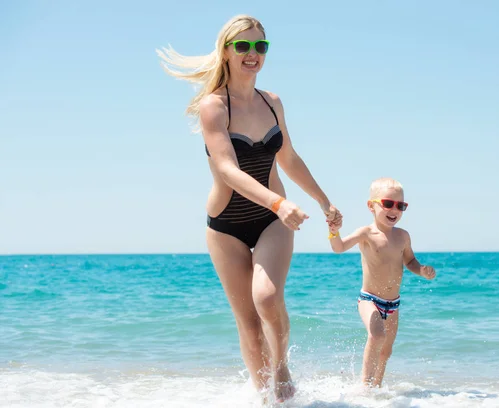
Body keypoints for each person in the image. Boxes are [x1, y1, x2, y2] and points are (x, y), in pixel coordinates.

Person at [157, 15, 342, 402]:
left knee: (268, 298)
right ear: (226, 51)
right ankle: (263, 399)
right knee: (249, 326)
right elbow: (226, 168)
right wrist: (279, 200)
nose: (252, 53)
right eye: (243, 46)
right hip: (226, 226)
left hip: (273, 220)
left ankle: (281, 370)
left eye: (260, 46)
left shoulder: (272, 103)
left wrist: (323, 201)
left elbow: (288, 157)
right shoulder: (213, 107)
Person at [327, 177, 435, 387]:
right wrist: (333, 231)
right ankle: (365, 388)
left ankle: (377, 389)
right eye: (388, 203)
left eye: (400, 206)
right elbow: (338, 247)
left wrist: (421, 270)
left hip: (393, 304)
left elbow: (410, 261)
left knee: (386, 350)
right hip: (369, 299)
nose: (394, 209)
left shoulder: (403, 236)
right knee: (376, 336)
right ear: (371, 206)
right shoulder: (367, 233)